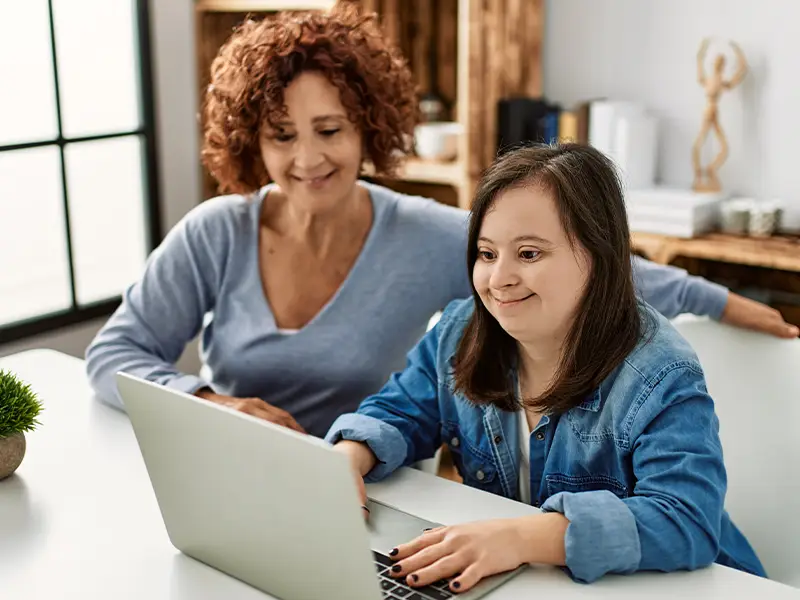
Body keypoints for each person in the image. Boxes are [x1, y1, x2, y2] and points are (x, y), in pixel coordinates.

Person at [85, 6, 796, 438]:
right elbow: (113, 358)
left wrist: (734, 304)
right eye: (281, 134)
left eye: (328, 129)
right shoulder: (216, 232)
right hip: (235, 471)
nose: (307, 158)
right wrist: (212, 402)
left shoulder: (423, 232)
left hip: (374, 481)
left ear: (367, 127)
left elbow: (592, 262)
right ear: (252, 141)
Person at [326, 143, 765, 590]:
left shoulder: (661, 372)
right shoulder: (460, 331)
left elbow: (686, 521)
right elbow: (400, 410)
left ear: (597, 255)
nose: (499, 280)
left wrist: (521, 537)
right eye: (487, 254)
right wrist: (347, 457)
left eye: (529, 254)